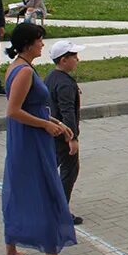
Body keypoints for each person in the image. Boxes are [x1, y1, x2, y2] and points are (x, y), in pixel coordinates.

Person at [1, 23, 81, 255]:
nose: (42, 45)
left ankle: (11, 249)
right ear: (28, 44)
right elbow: (14, 110)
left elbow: (34, 107)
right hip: (31, 140)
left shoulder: (15, 67)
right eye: (39, 40)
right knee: (46, 190)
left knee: (19, 188)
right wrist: (46, 125)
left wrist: (57, 123)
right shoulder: (24, 71)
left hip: (24, 137)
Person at [45, 41, 85, 225]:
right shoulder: (65, 84)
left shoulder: (51, 77)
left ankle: (49, 205)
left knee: (53, 168)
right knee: (70, 170)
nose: (77, 59)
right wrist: (72, 138)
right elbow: (67, 111)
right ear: (63, 60)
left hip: (52, 133)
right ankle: (60, 211)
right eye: (74, 56)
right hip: (62, 135)